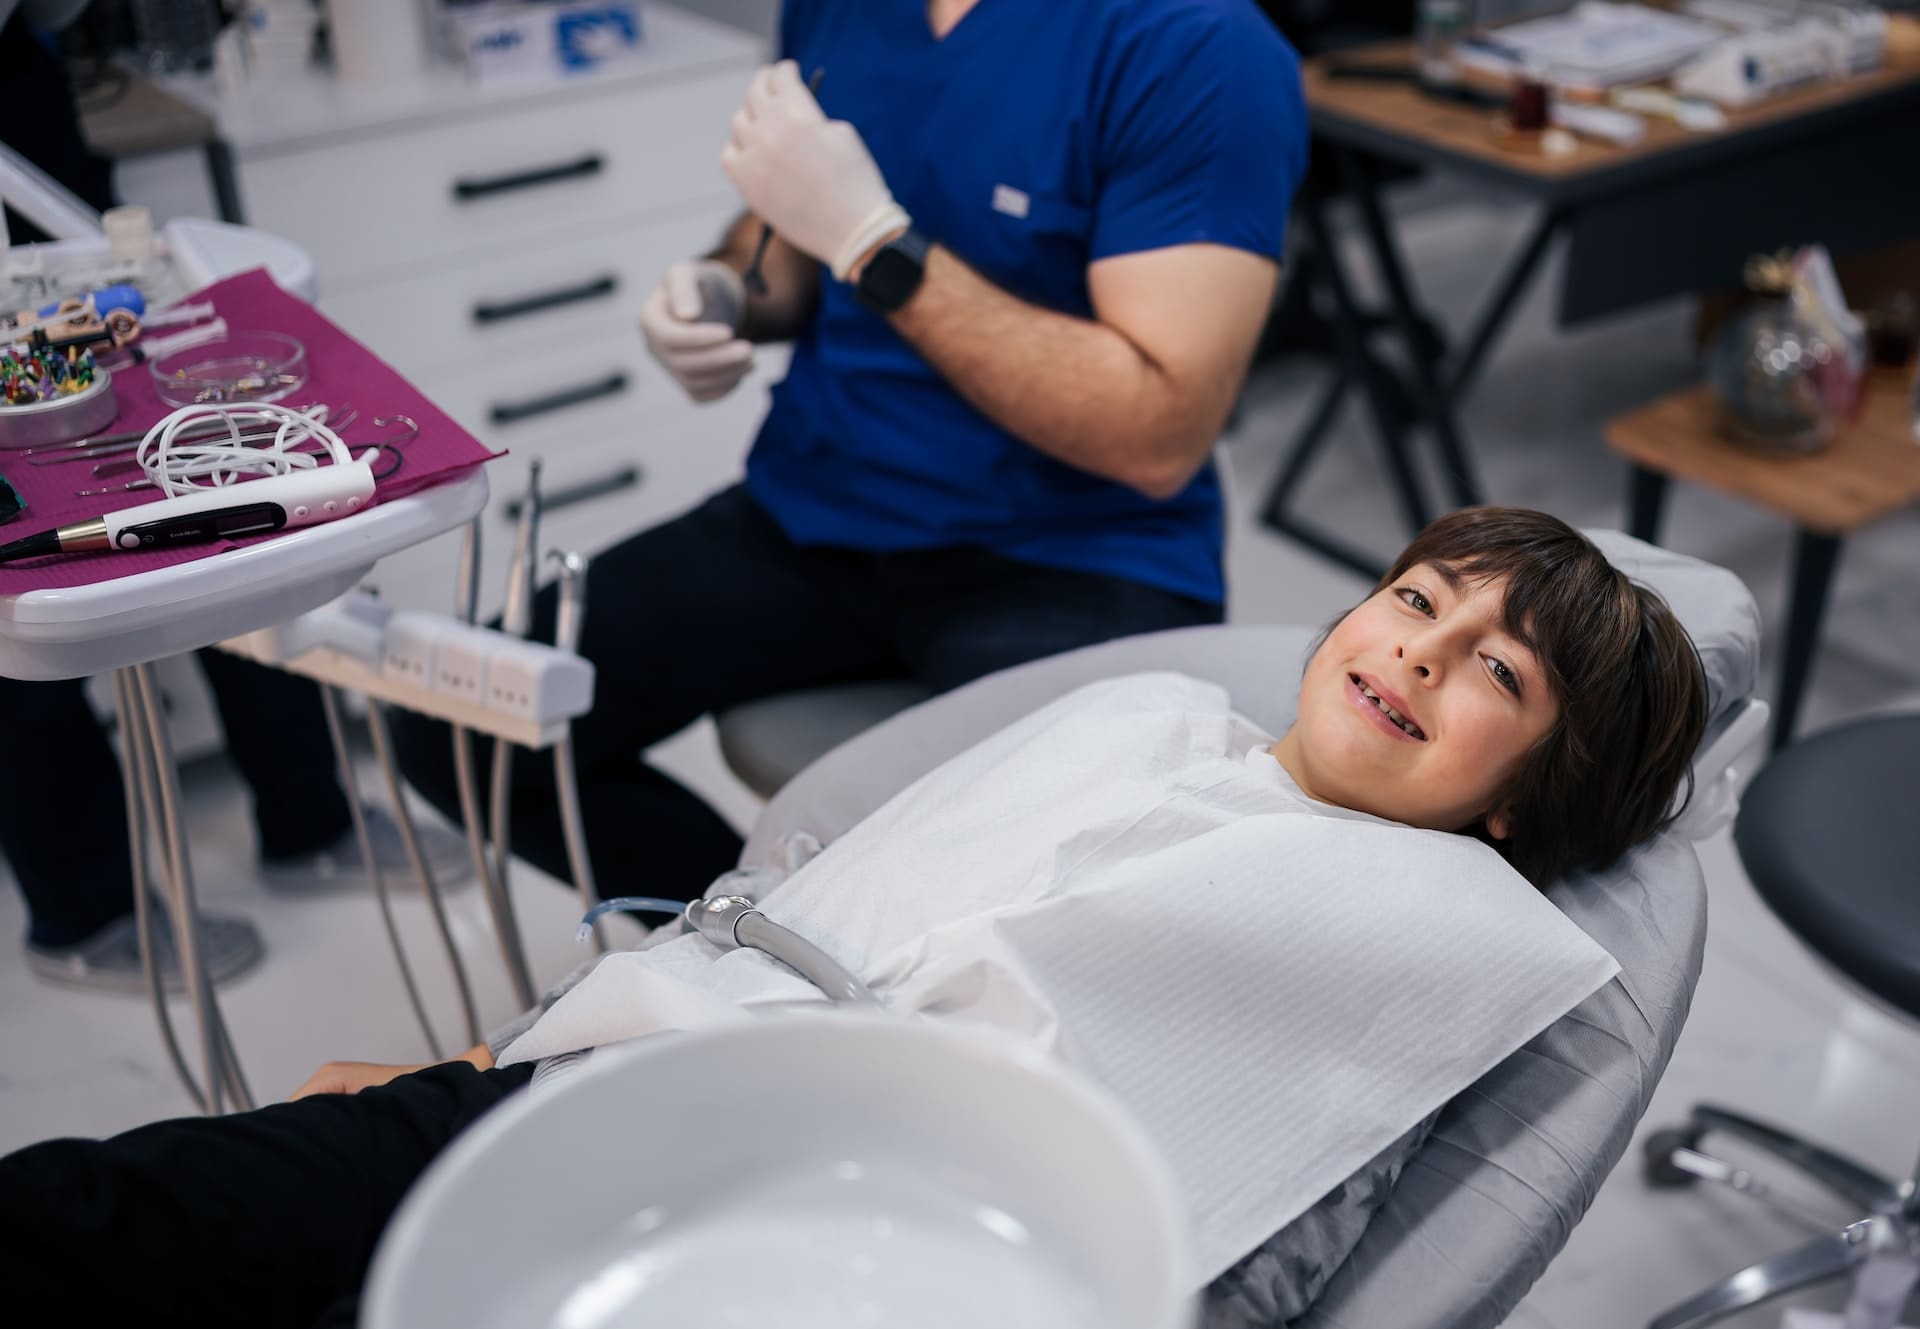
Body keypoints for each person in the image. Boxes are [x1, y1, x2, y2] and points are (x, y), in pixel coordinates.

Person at [0, 507, 1709, 1329]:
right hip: (582, 1088)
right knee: (98, 1225)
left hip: (779, 1250)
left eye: (1494, 666)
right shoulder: (1150, 712)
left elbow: (1233, 1296)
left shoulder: (1428, 942)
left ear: (1519, 799)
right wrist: (483, 1049)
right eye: (1414, 596)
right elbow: (771, 916)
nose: (1415, 642)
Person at [395, 0, 1309, 907]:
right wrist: (726, 291)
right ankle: (756, 942)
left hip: (1072, 553)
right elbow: (790, 235)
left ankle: (857, 970)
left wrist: (874, 241)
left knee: (1042, 886)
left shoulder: (1194, 46)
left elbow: (1156, 433)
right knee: (461, 722)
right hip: (818, 508)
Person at [0, 9, 467, 990]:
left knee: (206, 465)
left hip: (22, 102)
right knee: (22, 562)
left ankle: (310, 818)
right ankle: (87, 908)